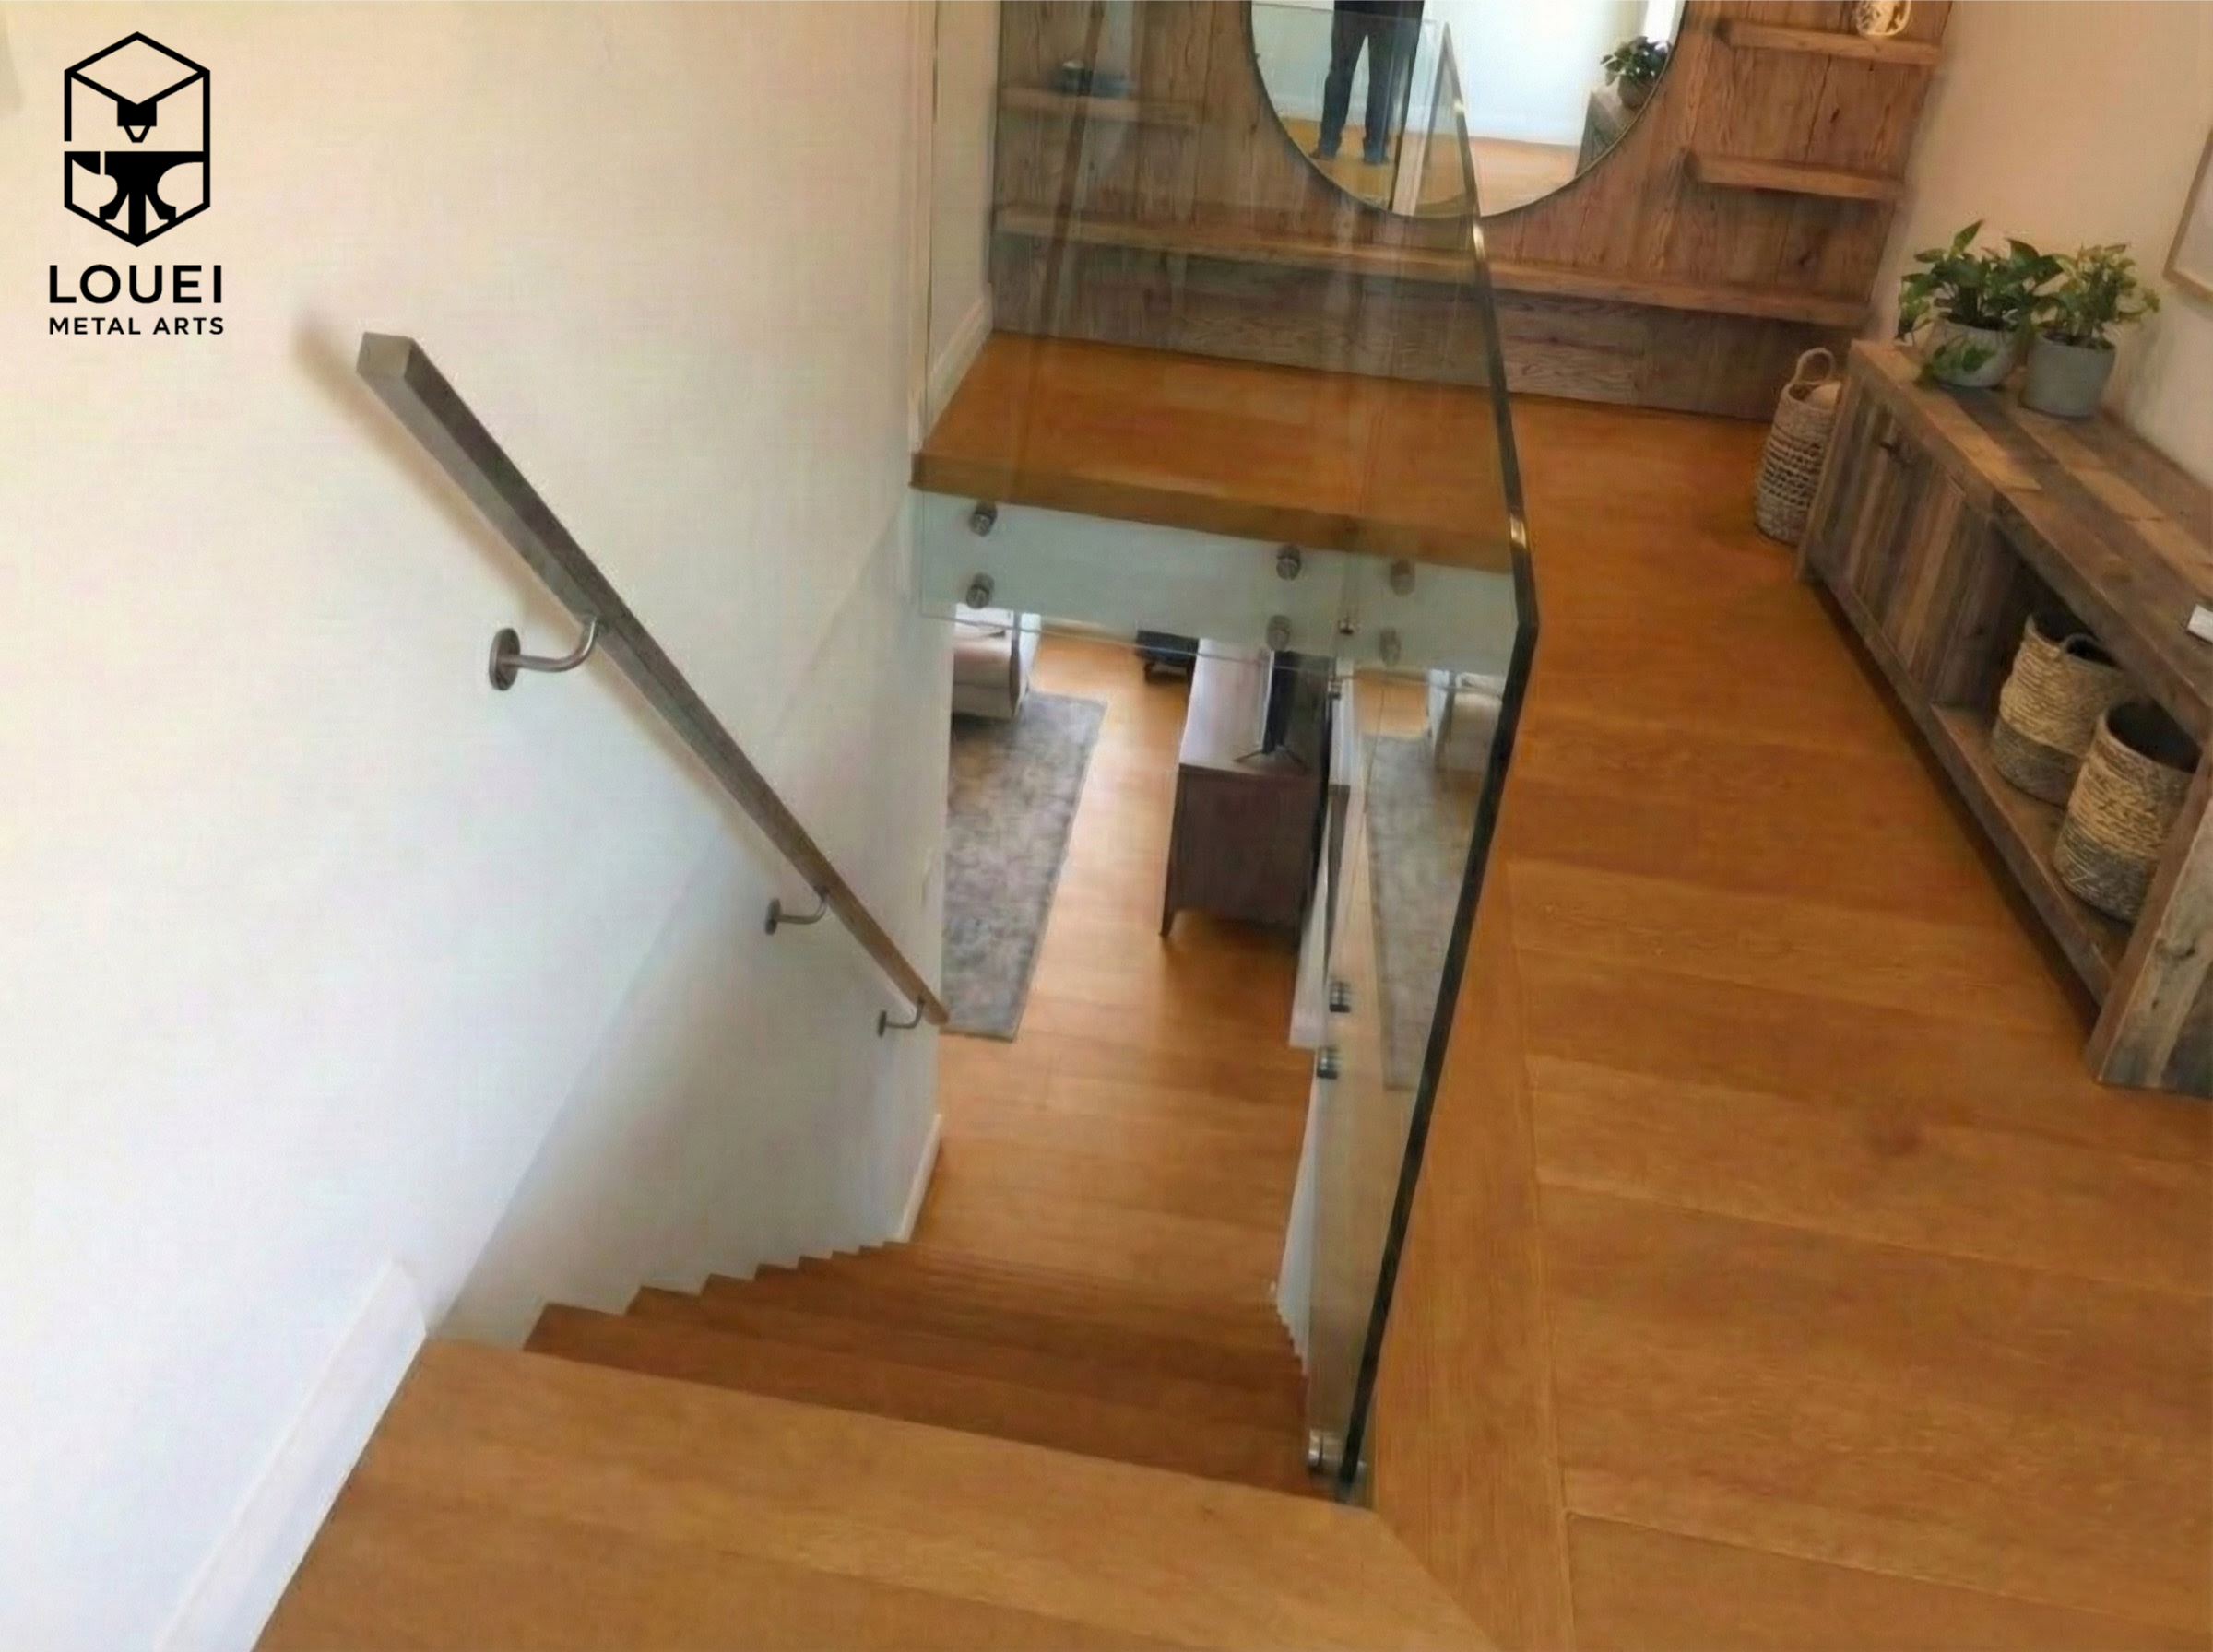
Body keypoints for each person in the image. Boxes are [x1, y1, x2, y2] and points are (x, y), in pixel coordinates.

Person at [1315, 0, 1422, 168]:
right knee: (1383, 80)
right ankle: (1374, 150)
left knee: (1341, 71)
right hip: (1395, 10)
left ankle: (1328, 145)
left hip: (1353, 7)